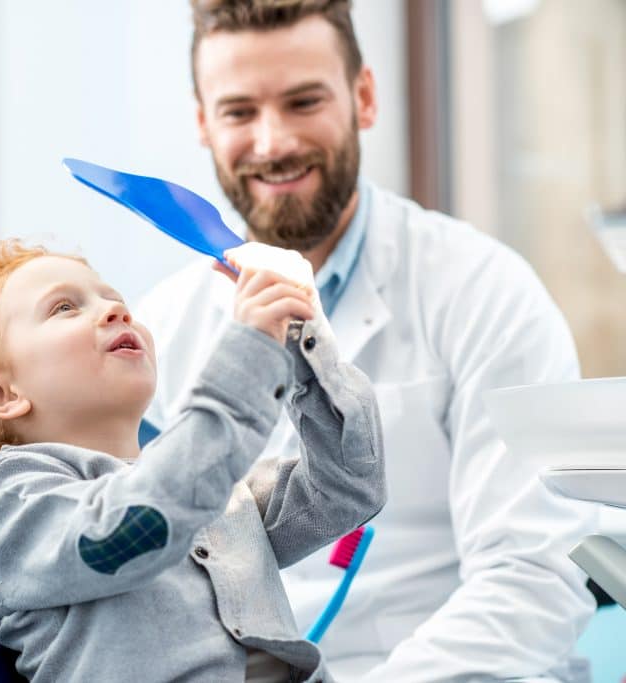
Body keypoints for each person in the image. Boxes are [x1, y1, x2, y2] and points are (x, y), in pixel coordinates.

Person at [135, 1, 597, 680]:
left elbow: (532, 577)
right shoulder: (163, 329)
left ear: (365, 97)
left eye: (303, 101)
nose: (272, 142)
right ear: (204, 123)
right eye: (239, 112)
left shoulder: (484, 292)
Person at [0, 239, 386, 681]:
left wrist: (302, 341)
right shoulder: (21, 494)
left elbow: (347, 486)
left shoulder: (212, 492)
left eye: (112, 298)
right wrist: (250, 357)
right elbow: (135, 527)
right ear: (2, 393)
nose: (115, 310)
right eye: (64, 307)